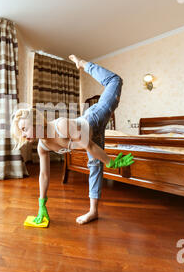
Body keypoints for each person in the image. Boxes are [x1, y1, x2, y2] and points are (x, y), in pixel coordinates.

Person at [11, 55, 133, 225]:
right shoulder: (42, 146)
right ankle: (93, 211)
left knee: (115, 80)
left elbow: (88, 145)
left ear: (36, 121)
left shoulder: (61, 126)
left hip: (95, 118)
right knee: (95, 166)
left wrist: (110, 161)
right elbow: (44, 175)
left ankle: (83, 64)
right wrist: (42, 204)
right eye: (21, 131)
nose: (23, 134)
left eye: (24, 128)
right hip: (91, 137)